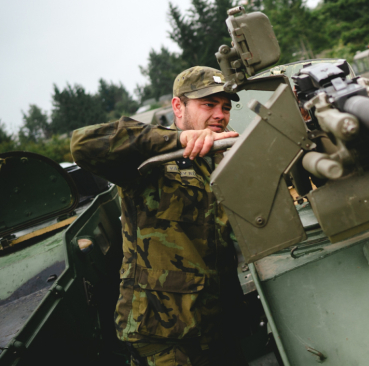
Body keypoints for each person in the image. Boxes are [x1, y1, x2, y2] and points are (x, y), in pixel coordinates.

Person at [71, 66, 246, 366]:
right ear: (178, 106)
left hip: (213, 330)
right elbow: (82, 145)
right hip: (164, 338)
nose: (220, 114)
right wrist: (175, 140)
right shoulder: (151, 161)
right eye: (208, 104)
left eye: (225, 107)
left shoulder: (215, 163)